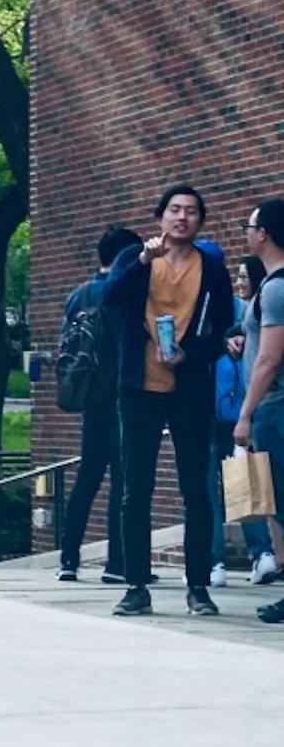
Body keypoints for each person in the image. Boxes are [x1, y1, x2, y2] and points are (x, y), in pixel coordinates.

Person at [104, 184, 233, 616]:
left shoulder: (211, 268)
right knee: (134, 489)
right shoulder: (136, 258)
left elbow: (225, 331)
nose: (182, 217)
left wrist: (189, 355)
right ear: (160, 217)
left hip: (189, 389)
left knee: (196, 490)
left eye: (191, 211)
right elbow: (111, 298)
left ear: (201, 221)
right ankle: (135, 586)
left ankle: (198, 586)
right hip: (138, 388)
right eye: (174, 210)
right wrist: (143, 260)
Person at [57, 226, 142, 582]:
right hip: (122, 394)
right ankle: (117, 564)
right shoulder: (123, 293)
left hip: (90, 396)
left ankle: (68, 560)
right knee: (123, 481)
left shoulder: (79, 296)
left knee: (87, 478)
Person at [209, 257, 275, 587]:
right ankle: (258, 553)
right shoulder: (241, 310)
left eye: (243, 276)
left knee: (229, 485)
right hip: (231, 409)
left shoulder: (249, 309)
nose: (238, 282)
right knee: (241, 481)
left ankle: (221, 561)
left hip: (230, 410)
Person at [235, 206, 284, 622]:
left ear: (263, 234)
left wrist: (245, 414)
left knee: (282, 503)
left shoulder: (275, 289)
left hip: (275, 410)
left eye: (247, 228)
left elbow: (269, 360)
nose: (245, 234)